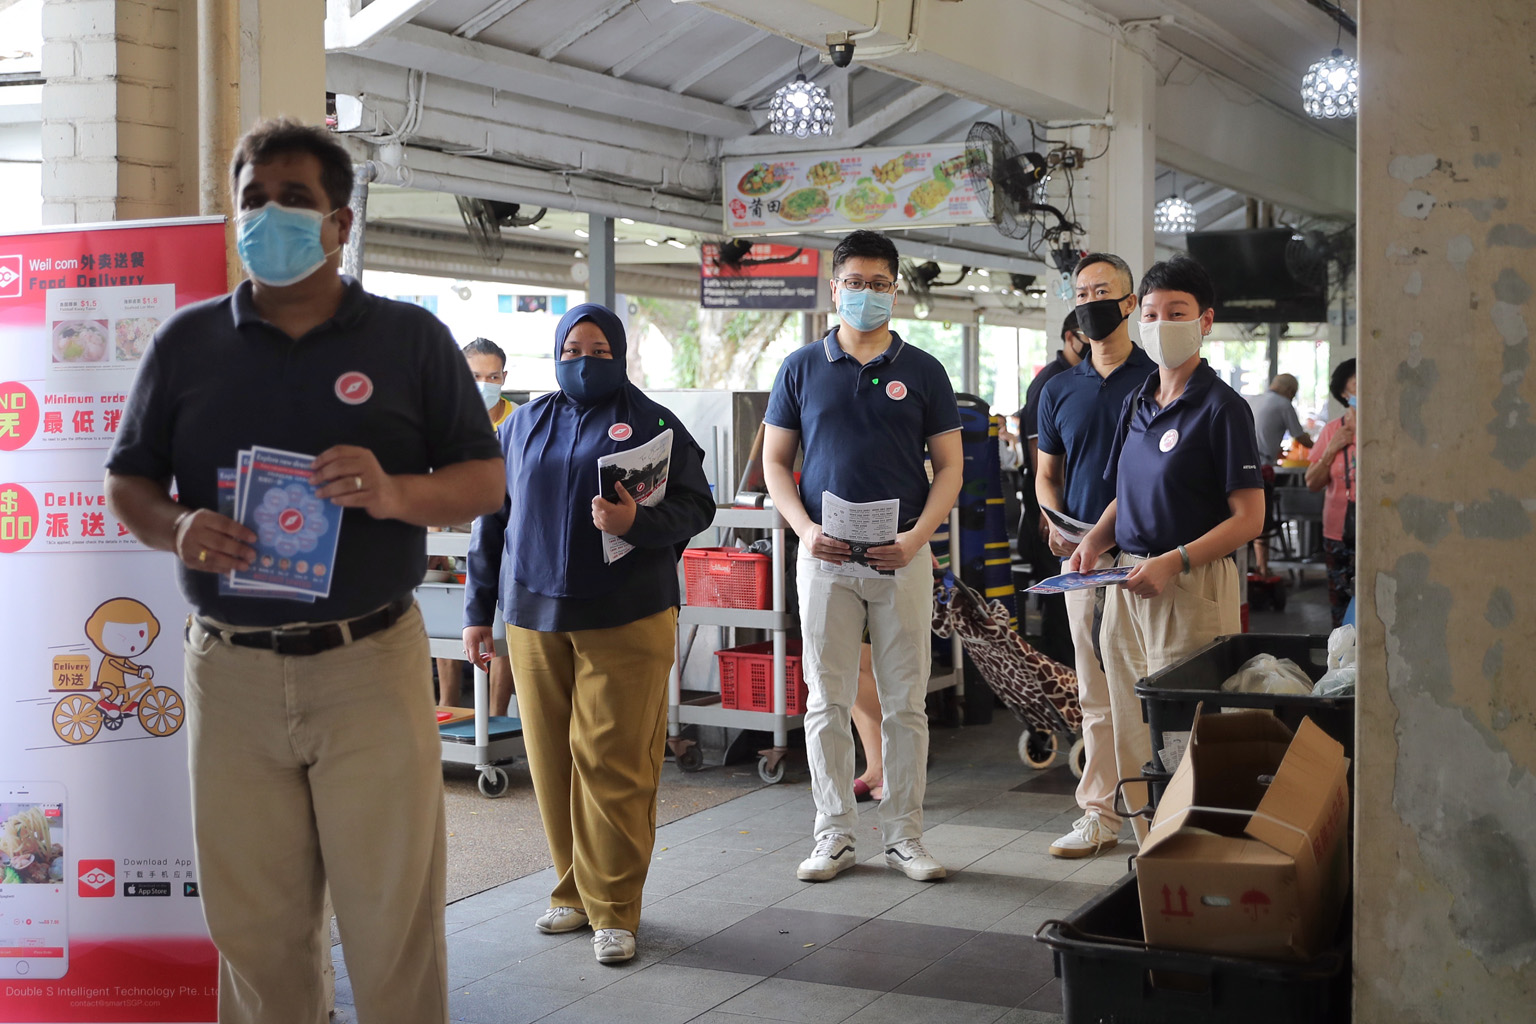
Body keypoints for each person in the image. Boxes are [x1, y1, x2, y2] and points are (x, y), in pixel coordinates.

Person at [104, 117, 505, 1024]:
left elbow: (484, 481)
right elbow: (128, 480)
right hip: (230, 669)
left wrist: (395, 492)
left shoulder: (409, 340)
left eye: (294, 200)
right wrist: (177, 527)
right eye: (253, 200)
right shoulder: (187, 344)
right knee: (254, 930)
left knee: (390, 919)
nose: (270, 217)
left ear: (341, 223)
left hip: (368, 661)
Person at [462, 304, 714, 965]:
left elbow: (696, 506)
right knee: (552, 764)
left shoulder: (656, 423)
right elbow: (493, 520)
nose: (584, 358)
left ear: (621, 354)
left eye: (599, 349)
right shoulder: (521, 425)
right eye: (572, 347)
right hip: (533, 616)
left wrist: (636, 522)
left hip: (627, 616)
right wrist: (476, 612)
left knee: (614, 763)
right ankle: (571, 891)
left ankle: (615, 909)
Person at [762, 229, 964, 884]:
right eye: (856, 283)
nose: (868, 294)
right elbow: (775, 461)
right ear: (834, 288)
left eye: (880, 284)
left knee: (907, 702)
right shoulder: (800, 368)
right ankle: (834, 835)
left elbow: (951, 469)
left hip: (901, 554)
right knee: (825, 698)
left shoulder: (924, 370)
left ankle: (906, 836)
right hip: (823, 557)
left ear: (895, 290)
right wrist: (802, 528)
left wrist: (917, 539)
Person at [1071, 255, 1264, 840]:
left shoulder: (1223, 408)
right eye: (1150, 314)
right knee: (1133, 725)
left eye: (1176, 313)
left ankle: (1198, 847)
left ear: (1205, 321)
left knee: (1186, 726)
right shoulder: (1138, 400)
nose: (1160, 324)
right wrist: (1094, 543)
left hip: (1189, 582)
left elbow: (1249, 518)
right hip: (1128, 580)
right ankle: (1151, 852)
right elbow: (1121, 496)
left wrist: (1175, 561)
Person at [1034, 253, 1156, 858]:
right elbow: (1046, 473)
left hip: (1146, 555)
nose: (1089, 302)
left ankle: (1157, 813)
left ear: (1130, 303)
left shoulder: (1158, 381)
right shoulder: (1058, 388)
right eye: (1080, 292)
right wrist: (1052, 519)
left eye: (1102, 291)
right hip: (1078, 559)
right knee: (1093, 688)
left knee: (1149, 684)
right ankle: (1100, 813)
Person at [432, 337, 517, 711]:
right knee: (446, 626)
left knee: (502, 634)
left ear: (504, 377)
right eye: (476, 375)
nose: (486, 383)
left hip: (502, 539)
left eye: (493, 375)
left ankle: (496, 720)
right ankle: (448, 709)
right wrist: (433, 544)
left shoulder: (520, 421)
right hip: (451, 539)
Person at [1013, 311, 1089, 666]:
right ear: (1070, 336)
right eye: (1086, 335)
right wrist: (1052, 513)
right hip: (1053, 514)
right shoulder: (1050, 383)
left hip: (1076, 512)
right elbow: (1040, 460)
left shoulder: (1082, 378)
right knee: (1059, 604)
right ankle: (1060, 685)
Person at [1306, 359, 1357, 627]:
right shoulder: (1331, 431)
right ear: (1344, 394)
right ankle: (1343, 667)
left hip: (1380, 531)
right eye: (1356, 380)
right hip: (1339, 534)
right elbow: (1312, 482)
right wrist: (1331, 449)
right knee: (1341, 611)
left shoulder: (1388, 429)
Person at [1247, 373, 1314, 575]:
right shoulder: (1284, 404)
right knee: (1262, 523)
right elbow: (1300, 437)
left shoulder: (1253, 399)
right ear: (1290, 392)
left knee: (1244, 518)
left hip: (1242, 465)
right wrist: (1322, 449)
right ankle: (1263, 568)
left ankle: (1247, 569)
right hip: (1262, 469)